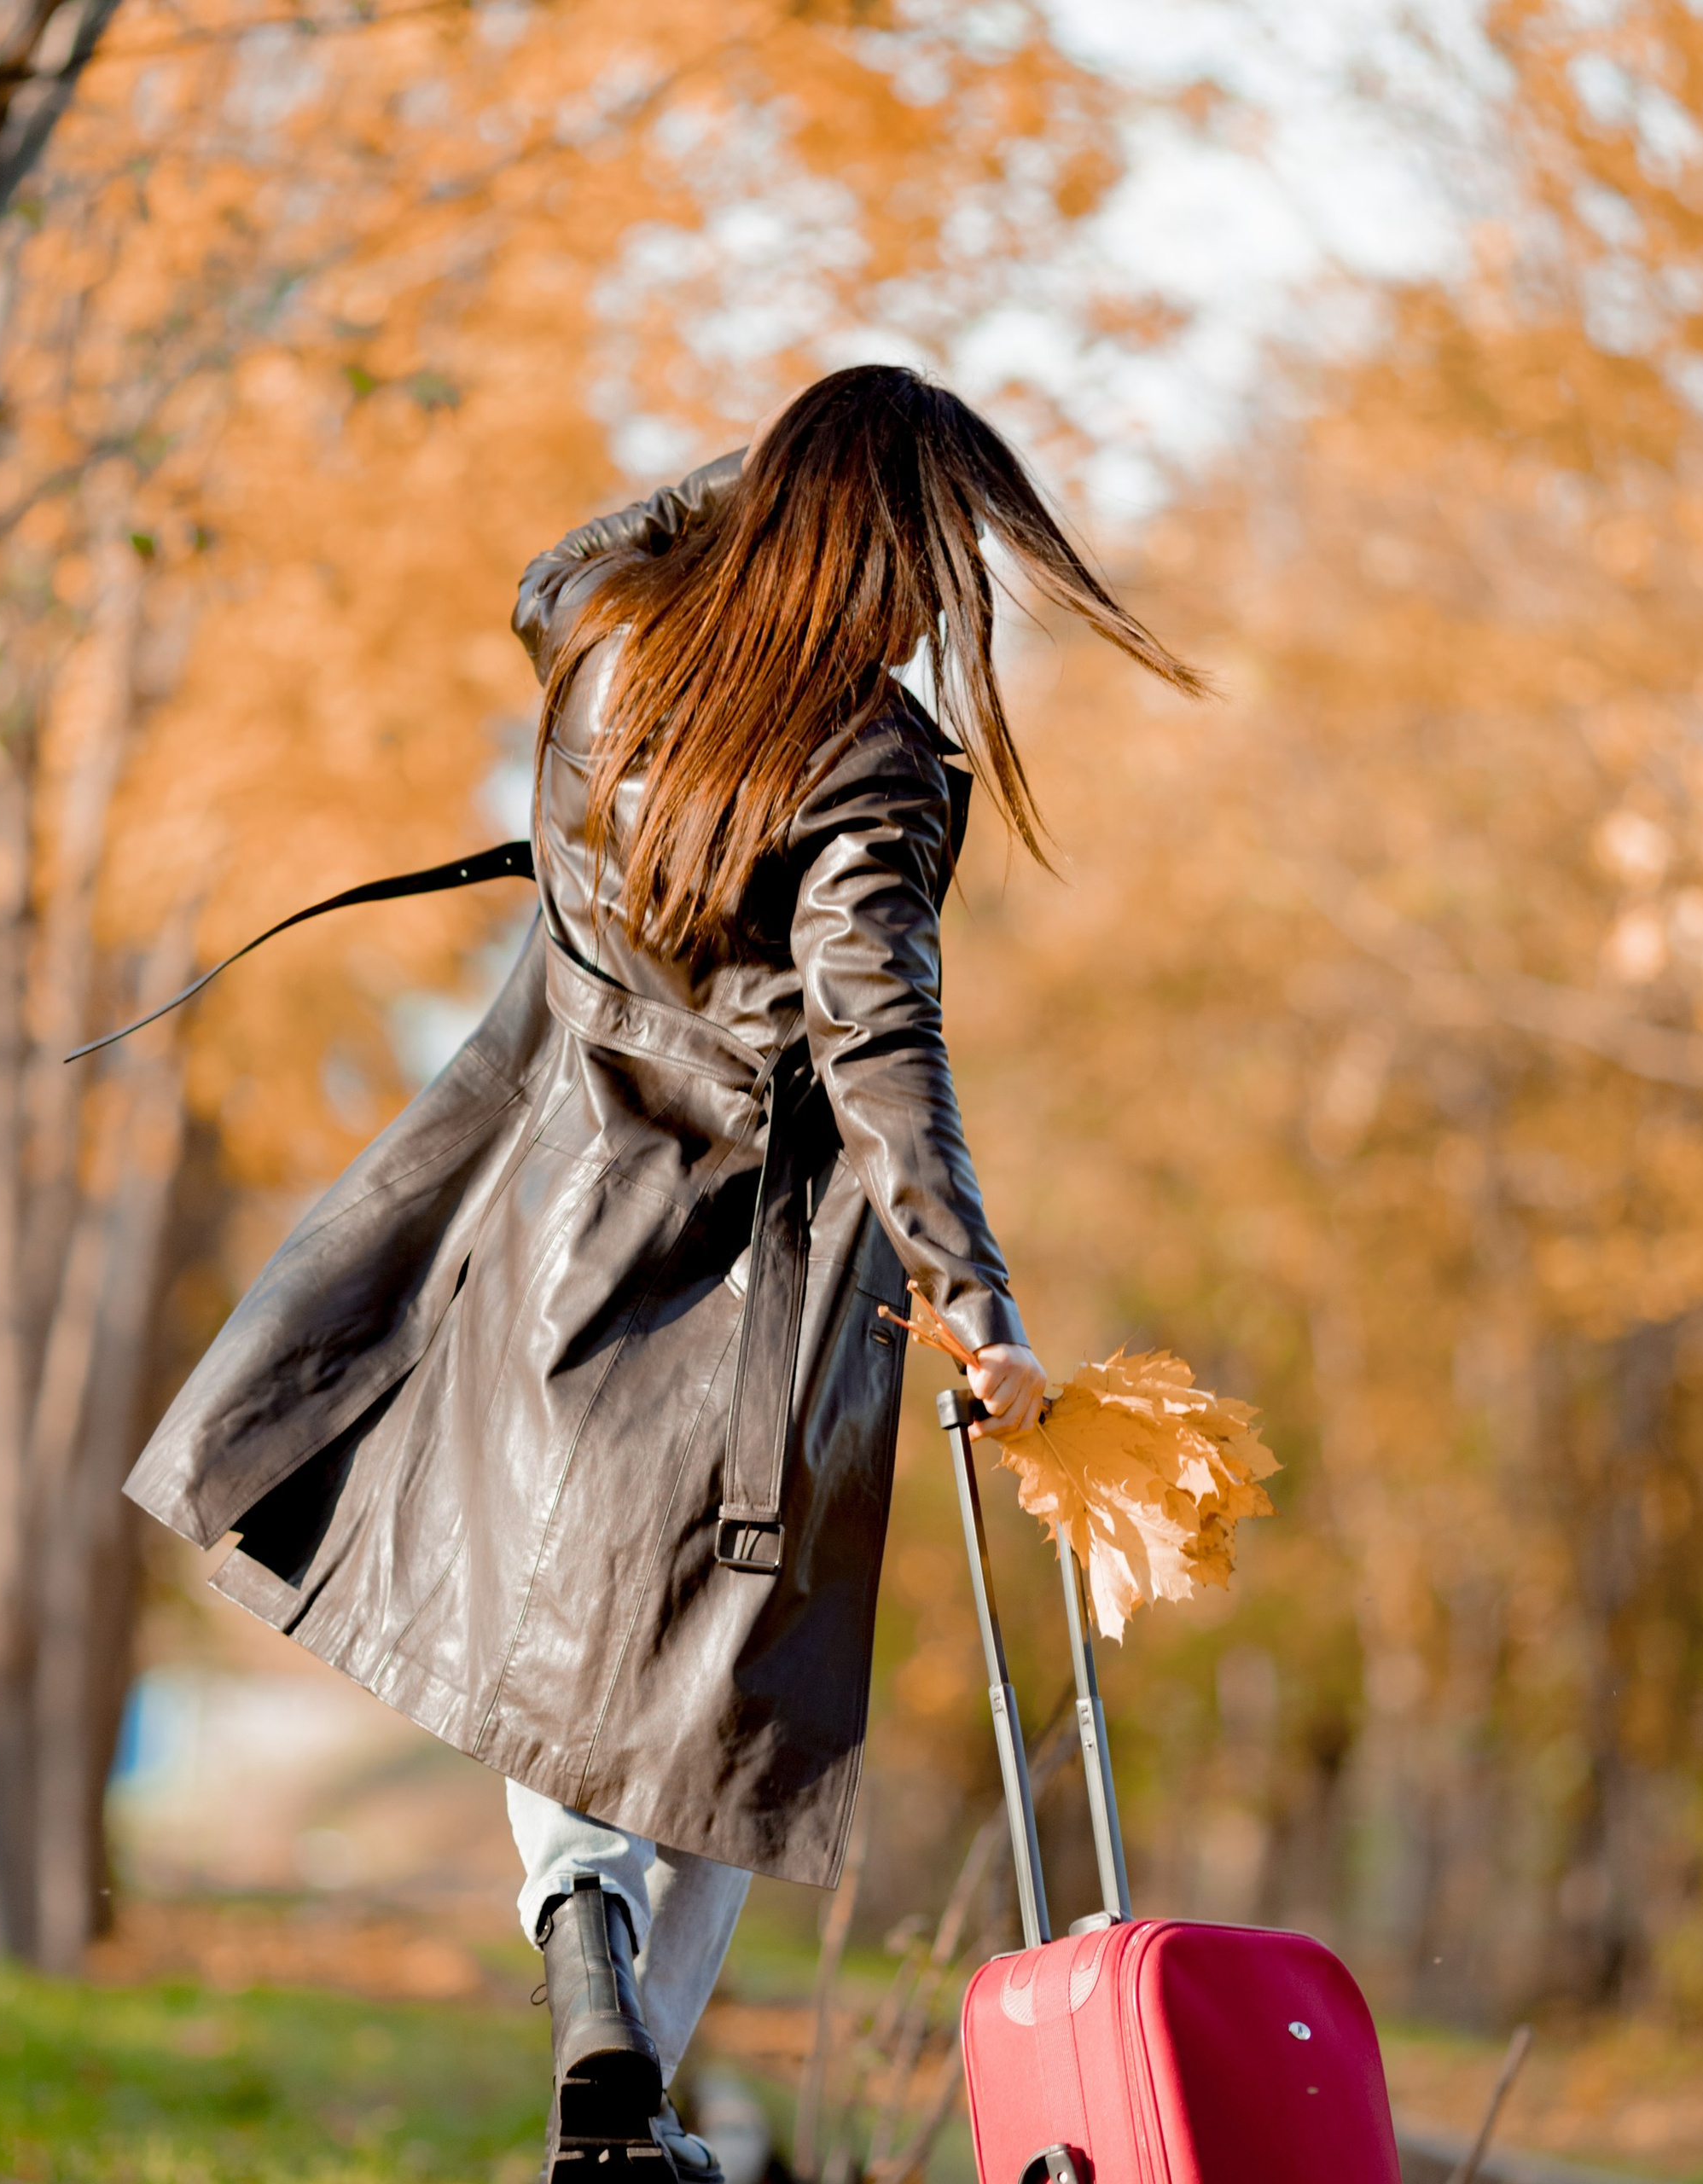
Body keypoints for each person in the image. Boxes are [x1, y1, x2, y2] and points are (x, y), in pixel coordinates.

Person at [122, 363, 1206, 2178]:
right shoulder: (864, 758)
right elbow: (881, 1048)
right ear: (896, 552)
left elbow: (568, 558)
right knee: (715, 1715)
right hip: (746, 1320)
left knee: (563, 1652)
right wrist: (979, 1299)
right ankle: (627, 2107)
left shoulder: (614, 646)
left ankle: (581, 1955)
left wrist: (769, 476)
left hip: (535, 1258)